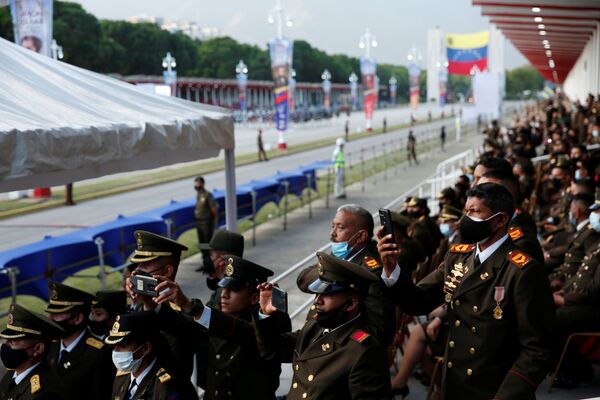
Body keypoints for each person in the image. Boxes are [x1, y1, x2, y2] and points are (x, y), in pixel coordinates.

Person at [378, 183, 554, 399]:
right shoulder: (458, 257)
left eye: (475, 212)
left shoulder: (522, 271)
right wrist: (390, 268)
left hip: (495, 389)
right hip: (455, 383)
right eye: (466, 211)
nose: (466, 219)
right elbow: (418, 300)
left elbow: (537, 350)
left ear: (500, 220)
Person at [140, 255, 291, 400]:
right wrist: (151, 304)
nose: (224, 295)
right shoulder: (216, 316)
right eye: (223, 288)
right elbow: (185, 326)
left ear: (255, 297)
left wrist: (189, 305)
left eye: (233, 289)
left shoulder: (272, 322)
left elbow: (245, 333)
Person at [255, 252, 393, 400]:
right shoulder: (315, 328)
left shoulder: (364, 351)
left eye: (327, 295)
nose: (317, 301)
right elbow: (273, 350)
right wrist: (265, 314)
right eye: (317, 294)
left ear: (351, 303)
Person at [296, 204, 396, 348]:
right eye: (332, 226)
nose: (333, 233)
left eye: (340, 228)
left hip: (340, 347)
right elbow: (303, 282)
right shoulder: (341, 255)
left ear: (361, 236)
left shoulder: (370, 272)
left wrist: (336, 343)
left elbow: (380, 331)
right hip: (317, 335)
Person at [127, 230, 196, 380]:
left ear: (167, 271)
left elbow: (173, 361)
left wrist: (149, 305)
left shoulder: (182, 313)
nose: (137, 272)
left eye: (145, 266)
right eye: (137, 265)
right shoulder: (139, 303)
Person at [550, 191, 600, 388]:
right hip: (586, 303)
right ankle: (572, 368)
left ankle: (575, 370)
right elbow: (582, 275)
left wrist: (565, 300)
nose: (593, 217)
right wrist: (564, 292)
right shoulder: (597, 244)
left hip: (595, 308)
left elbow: (596, 289)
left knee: (551, 320)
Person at [45, 282, 115, 400]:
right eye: (50, 314)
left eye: (56, 315)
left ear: (77, 318)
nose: (50, 319)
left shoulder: (100, 353)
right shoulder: (50, 346)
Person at [105, 311, 198, 400]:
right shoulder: (123, 376)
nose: (116, 351)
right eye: (115, 346)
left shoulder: (168, 387)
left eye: (122, 346)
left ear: (145, 348)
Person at [0, 304, 66, 400]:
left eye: (15, 340)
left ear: (38, 348)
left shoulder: (46, 393)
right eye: (7, 339)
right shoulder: (13, 373)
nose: (6, 344)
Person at [197, 229, 245, 307]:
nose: (209, 258)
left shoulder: (229, 292)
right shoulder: (234, 276)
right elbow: (212, 285)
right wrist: (215, 274)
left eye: (211, 254)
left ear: (222, 259)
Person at [194, 176, 218, 269]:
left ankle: (210, 263)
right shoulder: (198, 194)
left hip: (206, 223)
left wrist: (215, 222)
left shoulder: (208, 195)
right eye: (195, 183)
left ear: (202, 184)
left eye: (198, 183)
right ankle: (205, 263)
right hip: (199, 223)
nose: (196, 185)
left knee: (207, 243)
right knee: (202, 243)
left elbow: (214, 209)